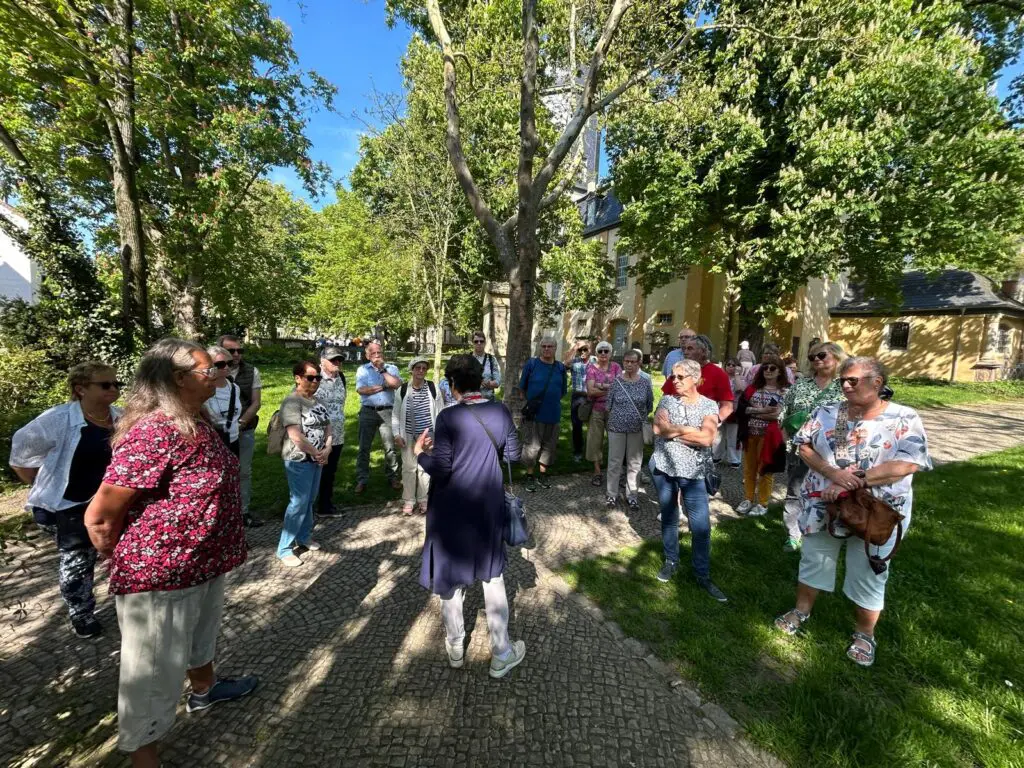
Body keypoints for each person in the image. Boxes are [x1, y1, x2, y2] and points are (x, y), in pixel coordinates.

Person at [84, 339, 257, 768]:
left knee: (202, 637)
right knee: (153, 673)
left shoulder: (195, 418)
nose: (219, 374)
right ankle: (144, 755)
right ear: (178, 379)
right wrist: (136, 559)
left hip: (204, 563)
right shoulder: (155, 430)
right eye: (208, 370)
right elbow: (102, 515)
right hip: (163, 576)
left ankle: (204, 691)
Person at [774, 357, 931, 668]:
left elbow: (909, 463)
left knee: (868, 570)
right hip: (824, 503)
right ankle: (801, 610)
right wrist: (833, 472)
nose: (845, 385)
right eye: (843, 380)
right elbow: (803, 445)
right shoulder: (828, 411)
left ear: (877, 383)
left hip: (876, 512)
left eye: (853, 380)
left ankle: (864, 633)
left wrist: (856, 481)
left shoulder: (904, 418)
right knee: (815, 557)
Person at [414, 354, 526, 678]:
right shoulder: (500, 411)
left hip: (450, 508)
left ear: (452, 385)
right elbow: (514, 454)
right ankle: (502, 651)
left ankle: (454, 647)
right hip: (487, 505)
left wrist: (420, 454)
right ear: (481, 380)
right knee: (492, 576)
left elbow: (442, 467)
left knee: (450, 578)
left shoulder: (448, 418)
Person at [10, 362, 122, 638]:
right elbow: (21, 452)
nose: (114, 389)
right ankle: (81, 614)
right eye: (105, 384)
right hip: (65, 505)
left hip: (102, 502)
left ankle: (127, 598)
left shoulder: (120, 417)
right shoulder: (59, 419)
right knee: (78, 560)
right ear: (80, 389)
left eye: (116, 384)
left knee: (106, 551)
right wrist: (39, 484)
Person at [649, 359, 727, 602]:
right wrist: (687, 431)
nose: (675, 381)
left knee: (701, 526)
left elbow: (707, 439)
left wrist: (675, 431)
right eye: (674, 376)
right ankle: (671, 560)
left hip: (693, 473)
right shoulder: (667, 400)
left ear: (696, 378)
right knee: (669, 517)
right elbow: (657, 430)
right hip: (665, 469)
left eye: (681, 377)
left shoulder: (709, 405)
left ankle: (702, 573)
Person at [778, 341, 846, 552]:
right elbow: (784, 411)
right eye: (812, 357)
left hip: (833, 452)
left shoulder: (846, 385)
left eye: (822, 355)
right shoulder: (802, 384)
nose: (816, 359)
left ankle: (831, 531)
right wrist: (784, 436)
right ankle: (794, 534)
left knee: (831, 492)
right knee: (796, 491)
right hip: (801, 449)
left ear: (836, 357)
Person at [277, 359, 332, 566]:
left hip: (317, 458)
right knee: (298, 502)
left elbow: (328, 428)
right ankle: (284, 548)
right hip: (298, 459)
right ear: (298, 378)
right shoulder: (292, 402)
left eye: (318, 377)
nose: (315, 381)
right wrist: (317, 453)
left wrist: (326, 448)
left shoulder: (319, 401)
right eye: (310, 377)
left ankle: (304, 536)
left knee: (309, 500)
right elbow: (295, 435)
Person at [218, 334, 263, 528]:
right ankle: (222, 512)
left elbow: (256, 402)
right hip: (218, 432)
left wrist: (242, 423)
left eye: (239, 350)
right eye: (231, 351)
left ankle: (243, 511)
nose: (236, 354)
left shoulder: (251, 371)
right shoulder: (213, 371)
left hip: (244, 429)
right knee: (219, 473)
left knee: (244, 471)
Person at [736, 355, 788, 517]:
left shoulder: (785, 391)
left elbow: (778, 416)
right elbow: (741, 410)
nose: (768, 371)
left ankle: (763, 503)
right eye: (765, 368)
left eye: (772, 368)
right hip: (750, 435)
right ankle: (748, 499)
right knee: (749, 470)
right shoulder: (752, 389)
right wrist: (763, 411)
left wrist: (753, 412)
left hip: (769, 438)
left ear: (780, 371)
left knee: (765, 471)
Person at [392, 357, 444, 515]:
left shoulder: (433, 388)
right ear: (412, 370)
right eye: (418, 368)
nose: (421, 371)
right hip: (407, 435)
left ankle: (423, 499)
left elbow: (441, 412)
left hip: (428, 436)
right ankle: (408, 500)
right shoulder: (402, 390)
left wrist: (439, 435)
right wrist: (396, 434)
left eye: (424, 368)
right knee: (408, 468)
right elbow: (395, 415)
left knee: (423, 468)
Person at [604, 349, 653, 509]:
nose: (630, 364)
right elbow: (608, 405)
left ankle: (632, 495)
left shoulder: (645, 382)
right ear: (623, 362)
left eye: (633, 362)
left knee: (635, 463)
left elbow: (649, 405)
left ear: (639, 363)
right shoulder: (616, 382)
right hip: (616, 427)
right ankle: (611, 494)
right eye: (627, 361)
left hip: (637, 428)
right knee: (614, 462)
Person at [519, 337, 568, 491]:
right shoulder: (532, 364)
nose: (547, 349)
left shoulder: (560, 367)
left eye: (550, 346)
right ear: (540, 348)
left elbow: (563, 391)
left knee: (549, 446)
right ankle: (529, 475)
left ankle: (543, 474)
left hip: (553, 413)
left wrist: (550, 401)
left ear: (555, 348)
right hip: (535, 415)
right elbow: (522, 388)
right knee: (532, 446)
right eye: (544, 346)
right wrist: (532, 403)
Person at [354, 341, 402, 494]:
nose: (376, 356)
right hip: (368, 411)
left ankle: (393, 477)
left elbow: (397, 384)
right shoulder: (362, 370)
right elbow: (362, 390)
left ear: (383, 354)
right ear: (367, 355)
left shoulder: (391, 368)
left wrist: (382, 371)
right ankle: (362, 480)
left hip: (388, 411)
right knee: (364, 447)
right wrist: (383, 386)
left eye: (379, 353)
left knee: (390, 448)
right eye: (373, 353)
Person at [314, 345, 348, 518]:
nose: (337, 363)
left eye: (339, 360)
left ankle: (325, 505)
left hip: (337, 433)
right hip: (317, 435)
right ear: (322, 361)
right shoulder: (314, 377)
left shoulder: (341, 377)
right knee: (314, 471)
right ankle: (307, 507)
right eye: (333, 359)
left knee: (330, 471)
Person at [584, 341, 622, 487]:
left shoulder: (616, 367)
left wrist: (600, 386)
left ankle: (616, 472)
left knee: (616, 441)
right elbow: (591, 391)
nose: (603, 354)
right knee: (595, 441)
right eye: (600, 351)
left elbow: (620, 388)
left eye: (606, 351)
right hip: (597, 410)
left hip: (614, 410)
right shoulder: (591, 369)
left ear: (611, 353)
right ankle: (597, 472)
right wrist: (610, 388)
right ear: (596, 353)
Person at [202, 346, 242, 456]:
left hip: (234, 441)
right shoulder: (204, 389)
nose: (226, 367)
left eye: (229, 363)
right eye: (220, 364)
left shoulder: (234, 388)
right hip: (213, 442)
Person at [564, 340, 594, 462]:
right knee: (577, 426)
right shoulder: (575, 361)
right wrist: (575, 347)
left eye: (585, 349)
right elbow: (565, 363)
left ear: (590, 350)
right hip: (577, 396)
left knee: (594, 426)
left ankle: (592, 452)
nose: (582, 352)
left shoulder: (595, 361)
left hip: (593, 396)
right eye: (580, 350)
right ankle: (578, 452)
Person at [712, 358, 744, 468]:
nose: (731, 366)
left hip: (734, 411)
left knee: (733, 436)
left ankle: (734, 459)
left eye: (734, 365)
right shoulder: (721, 378)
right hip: (720, 409)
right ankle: (716, 456)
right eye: (729, 364)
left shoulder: (740, 379)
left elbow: (740, 389)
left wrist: (737, 374)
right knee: (718, 436)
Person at [471, 331, 502, 400]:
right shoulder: (467, 359)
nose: (479, 343)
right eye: (476, 341)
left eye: (481, 341)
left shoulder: (491, 359)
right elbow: (460, 380)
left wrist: (490, 383)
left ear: (485, 343)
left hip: (488, 401)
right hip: (470, 402)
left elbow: (498, 380)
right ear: (472, 343)